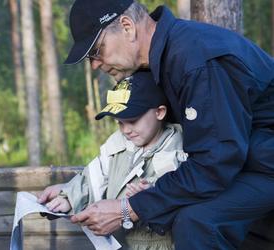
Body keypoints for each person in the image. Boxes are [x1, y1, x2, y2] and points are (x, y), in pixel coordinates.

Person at [48, 1, 274, 248]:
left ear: (127, 27)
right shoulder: (158, 62)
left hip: (262, 165)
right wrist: (72, 193)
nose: (94, 64)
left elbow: (215, 161)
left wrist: (128, 209)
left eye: (97, 50)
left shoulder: (195, 60)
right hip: (242, 161)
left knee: (196, 221)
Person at [39, 71, 182, 249]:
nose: (126, 130)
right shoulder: (117, 145)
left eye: (132, 120)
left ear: (159, 112)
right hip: (120, 242)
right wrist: (68, 196)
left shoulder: (176, 149)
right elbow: (93, 178)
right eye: (120, 123)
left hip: (161, 243)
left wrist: (152, 192)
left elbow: (181, 191)